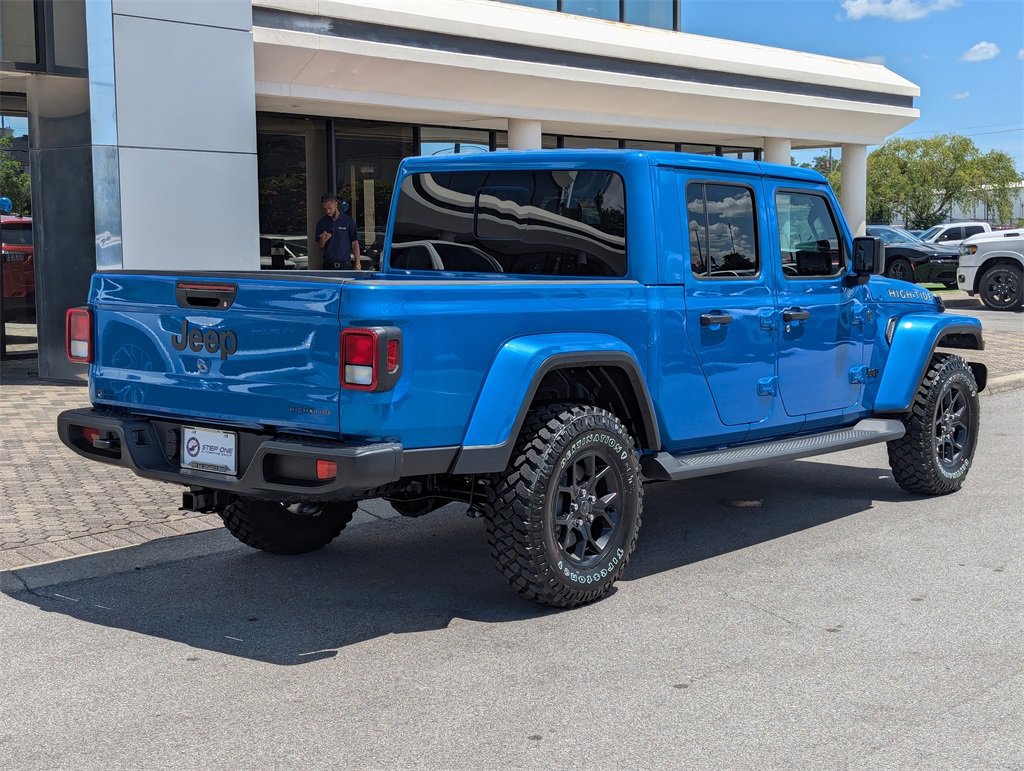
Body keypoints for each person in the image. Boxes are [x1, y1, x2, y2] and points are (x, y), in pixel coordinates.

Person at [315, 193, 362, 270]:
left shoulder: (348, 221)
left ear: (336, 204)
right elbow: (320, 246)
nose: (327, 211)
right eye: (325, 209)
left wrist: (357, 264)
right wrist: (323, 240)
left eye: (330, 208)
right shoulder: (321, 223)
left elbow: (355, 244)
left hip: (345, 265)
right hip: (328, 266)